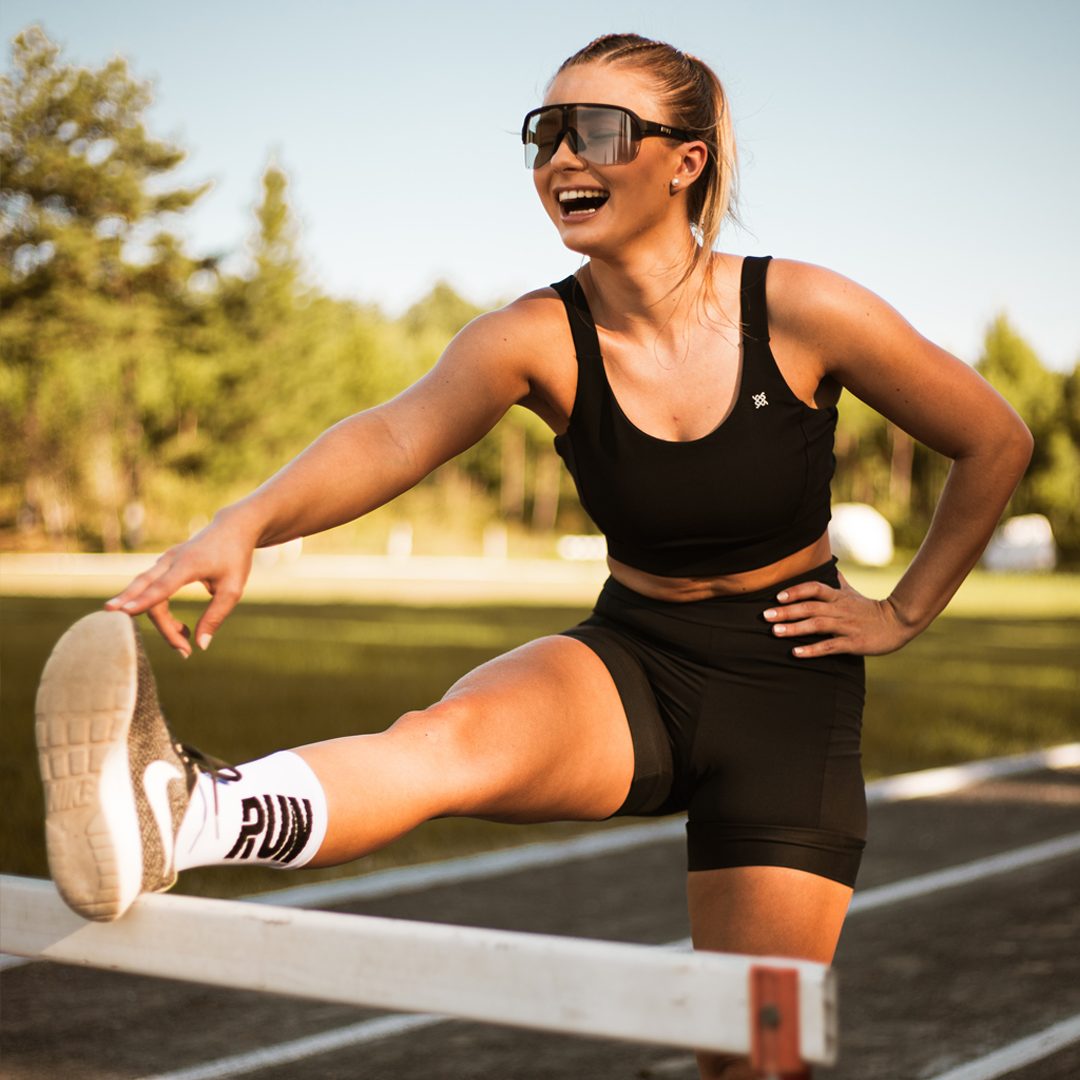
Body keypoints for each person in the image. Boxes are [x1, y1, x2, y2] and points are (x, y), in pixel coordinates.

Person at [35, 32, 1031, 1080]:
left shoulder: (798, 307)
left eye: (596, 131)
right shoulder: (531, 336)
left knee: (752, 1061)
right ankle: (181, 816)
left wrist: (905, 611)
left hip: (791, 690)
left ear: (685, 160)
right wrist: (243, 521)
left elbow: (992, 439)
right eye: (544, 133)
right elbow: (392, 435)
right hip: (635, 657)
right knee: (443, 741)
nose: (563, 157)